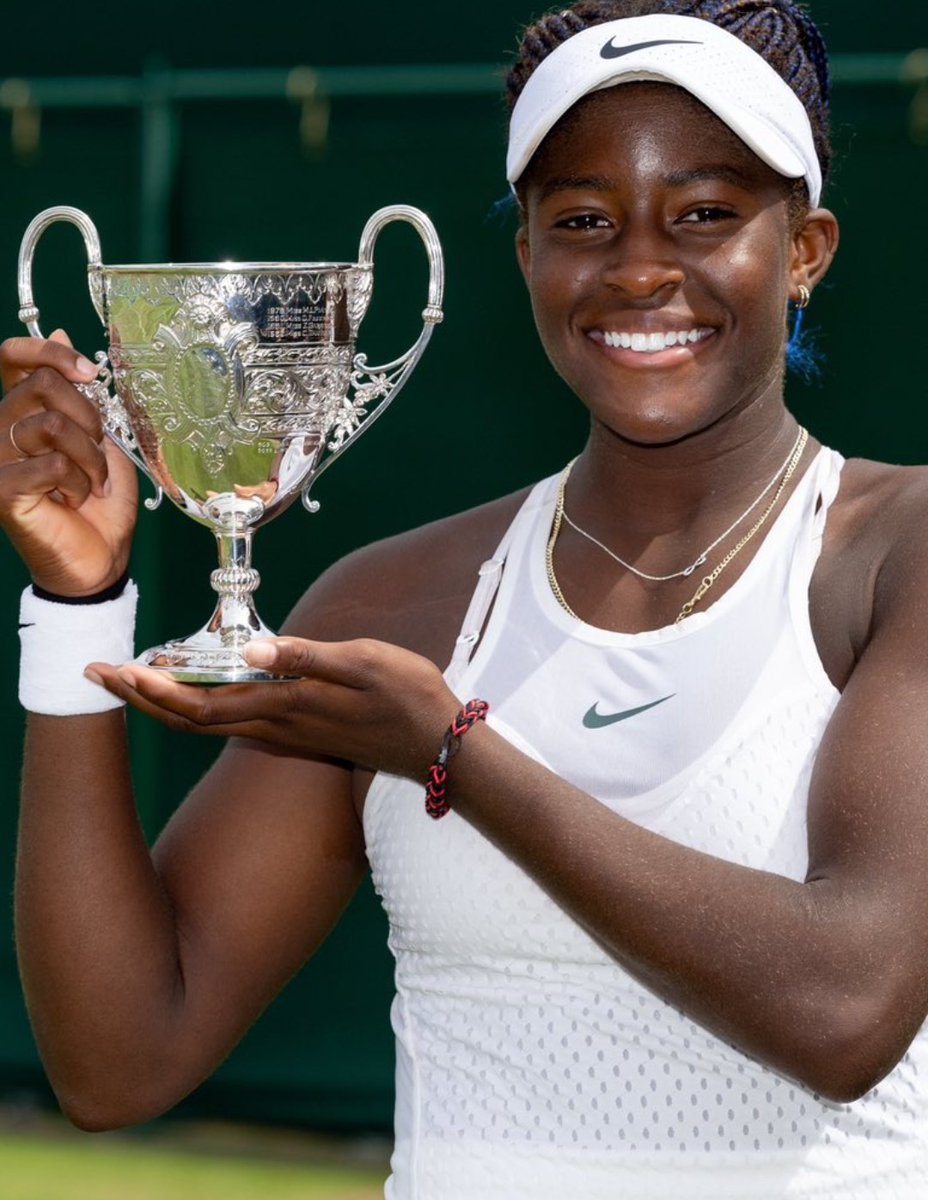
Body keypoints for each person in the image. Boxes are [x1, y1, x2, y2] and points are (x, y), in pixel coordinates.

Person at [2, 0, 928, 1195]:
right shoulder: (399, 600)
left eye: (704, 214)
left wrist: (452, 753)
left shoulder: (894, 552)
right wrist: (78, 603)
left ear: (803, 250)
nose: (641, 267)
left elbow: (846, 1006)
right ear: (528, 257)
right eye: (583, 220)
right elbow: (117, 1060)